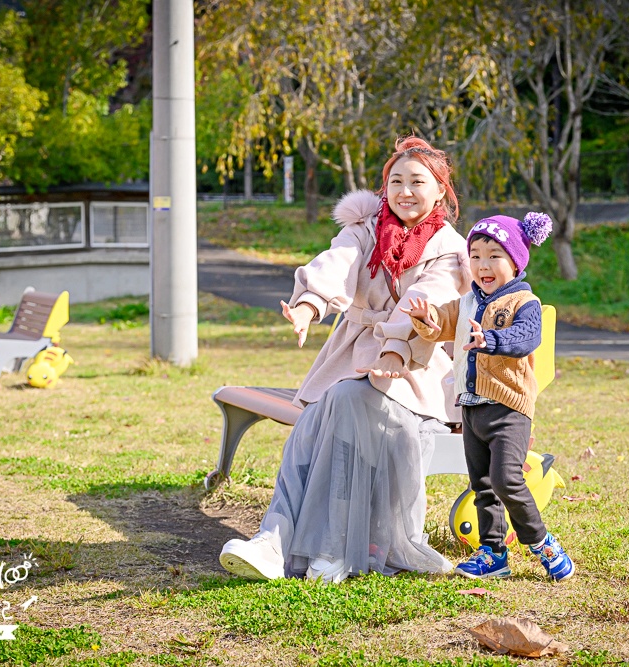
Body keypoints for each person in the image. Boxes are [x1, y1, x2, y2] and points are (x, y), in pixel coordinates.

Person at [219, 137, 472, 583]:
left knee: (339, 403)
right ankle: (274, 543)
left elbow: (423, 300)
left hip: (414, 371)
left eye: (418, 182)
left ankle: (326, 548)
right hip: (352, 359)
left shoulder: (451, 250)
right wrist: (309, 305)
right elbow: (337, 262)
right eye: (396, 181)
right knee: (323, 414)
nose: (405, 191)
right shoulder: (366, 228)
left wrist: (394, 348)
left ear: (440, 192)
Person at [400, 213, 575, 581]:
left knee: (506, 479)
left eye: (494, 256)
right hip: (471, 407)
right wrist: (426, 318)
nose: (483, 265)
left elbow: (527, 337)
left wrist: (491, 339)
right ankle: (493, 553)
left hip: (508, 408)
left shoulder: (524, 302)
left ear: (515, 261)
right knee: (481, 484)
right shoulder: (466, 302)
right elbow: (441, 324)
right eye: (475, 256)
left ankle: (542, 542)